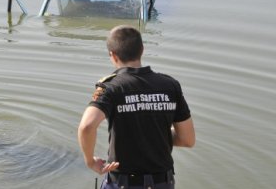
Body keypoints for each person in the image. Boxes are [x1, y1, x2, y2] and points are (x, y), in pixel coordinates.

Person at [78, 25, 195, 189]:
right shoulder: (170, 86)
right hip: (162, 183)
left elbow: (87, 126)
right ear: (142, 49)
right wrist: (154, 132)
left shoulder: (111, 87)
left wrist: (90, 161)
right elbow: (187, 139)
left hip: (123, 183)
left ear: (113, 55)